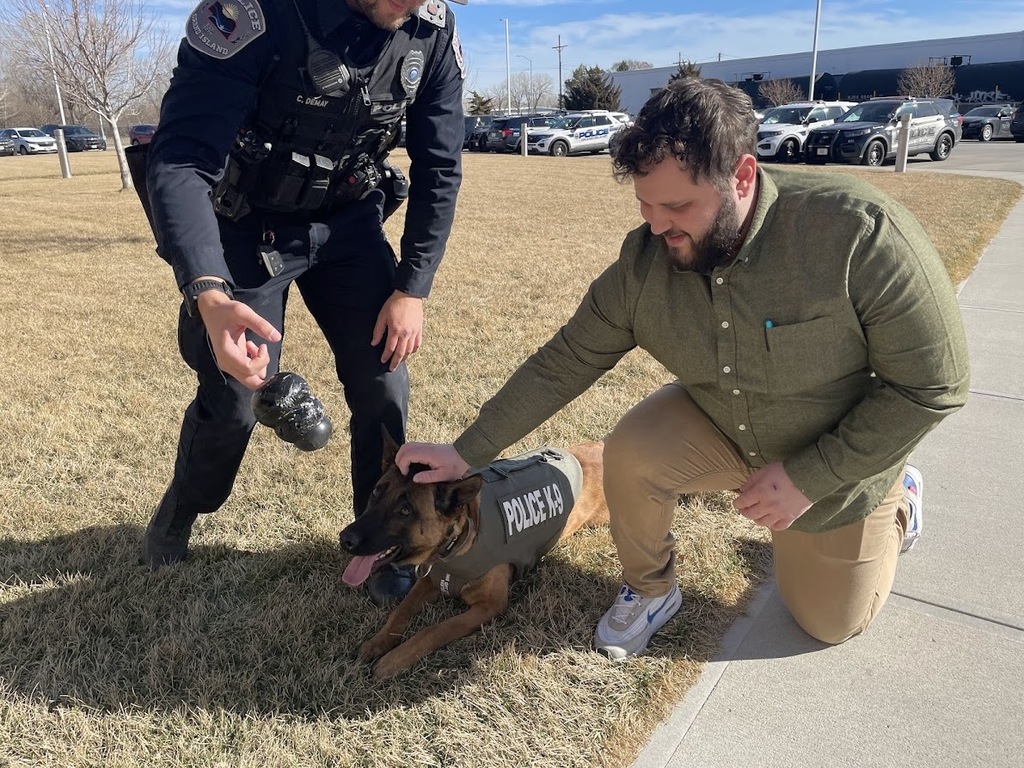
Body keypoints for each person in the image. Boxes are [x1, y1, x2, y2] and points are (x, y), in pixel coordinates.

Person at [394, 78, 970, 657]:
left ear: (742, 177)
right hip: (722, 419)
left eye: (677, 205)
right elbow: (565, 361)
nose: (657, 225)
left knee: (825, 621)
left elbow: (933, 386)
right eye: (646, 204)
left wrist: (809, 477)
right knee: (632, 448)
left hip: (835, 448)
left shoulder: (857, 233)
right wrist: (468, 451)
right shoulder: (644, 262)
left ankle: (900, 495)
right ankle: (651, 591)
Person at [140, 0, 466, 606]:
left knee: (384, 386)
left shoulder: (431, 30)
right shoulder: (254, 15)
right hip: (245, 228)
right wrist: (209, 294)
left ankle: (380, 543)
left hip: (348, 226)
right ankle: (184, 508)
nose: (411, 5)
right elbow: (181, 160)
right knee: (233, 400)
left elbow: (440, 167)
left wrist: (412, 286)